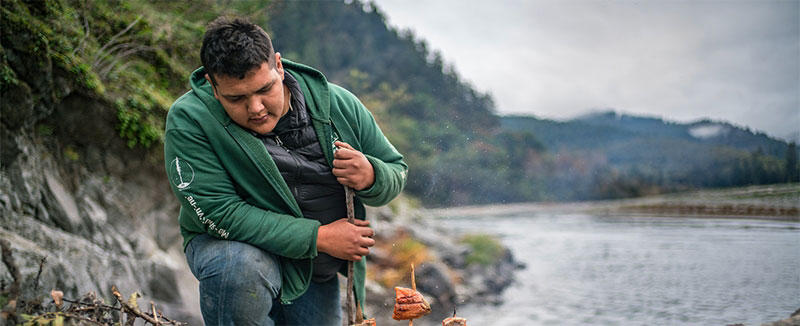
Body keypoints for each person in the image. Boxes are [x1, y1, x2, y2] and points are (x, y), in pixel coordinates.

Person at [163, 15, 407, 326]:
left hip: (312, 268)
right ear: (212, 85)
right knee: (237, 268)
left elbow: (396, 170)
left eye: (264, 90)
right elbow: (219, 212)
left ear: (279, 65)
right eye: (236, 98)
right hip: (238, 255)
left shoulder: (337, 104)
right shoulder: (190, 120)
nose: (256, 108)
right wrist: (317, 237)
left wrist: (371, 175)